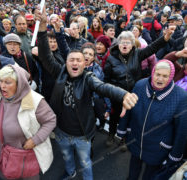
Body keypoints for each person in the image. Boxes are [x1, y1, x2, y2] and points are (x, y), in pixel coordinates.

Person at [35, 7, 138, 180]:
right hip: (61, 132)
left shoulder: (89, 78)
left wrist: (123, 95)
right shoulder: (59, 71)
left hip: (82, 135)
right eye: (71, 60)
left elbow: (104, 87)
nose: (75, 63)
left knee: (85, 162)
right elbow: (45, 55)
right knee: (67, 158)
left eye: (79, 60)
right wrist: (43, 27)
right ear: (66, 63)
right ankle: (70, 173)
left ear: (85, 64)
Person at [0, 65, 56, 180]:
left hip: (24, 158)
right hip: (1, 158)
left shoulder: (34, 100)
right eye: (1, 81)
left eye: (8, 82)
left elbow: (50, 120)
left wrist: (35, 140)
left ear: (19, 84)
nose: (2, 86)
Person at [116, 60, 187, 180]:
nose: (160, 79)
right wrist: (122, 129)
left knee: (150, 176)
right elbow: (128, 109)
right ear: (152, 72)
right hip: (136, 140)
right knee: (133, 171)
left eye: (165, 76)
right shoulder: (140, 85)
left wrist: (175, 155)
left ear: (171, 77)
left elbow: (182, 130)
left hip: (158, 148)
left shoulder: (180, 97)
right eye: (157, 74)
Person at [104, 28, 174, 148]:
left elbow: (152, 48)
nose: (125, 44)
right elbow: (107, 79)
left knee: (129, 117)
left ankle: (123, 139)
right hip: (117, 95)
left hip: (133, 94)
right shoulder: (111, 58)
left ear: (132, 45)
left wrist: (164, 39)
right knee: (115, 116)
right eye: (122, 42)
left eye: (128, 42)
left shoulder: (137, 54)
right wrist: (112, 94)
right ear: (118, 44)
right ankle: (111, 134)